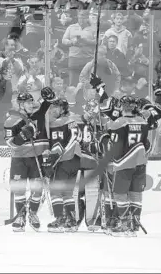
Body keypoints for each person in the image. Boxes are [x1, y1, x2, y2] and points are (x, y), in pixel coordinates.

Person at [42, 99, 97, 233]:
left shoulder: (58, 123)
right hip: (75, 161)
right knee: (67, 192)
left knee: (55, 190)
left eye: (55, 108)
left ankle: (60, 219)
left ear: (62, 109)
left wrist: (50, 162)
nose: (52, 111)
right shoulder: (72, 120)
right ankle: (71, 221)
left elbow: (58, 145)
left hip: (64, 160)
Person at [99, 96, 150, 237]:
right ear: (133, 106)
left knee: (120, 194)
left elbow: (113, 146)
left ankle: (125, 223)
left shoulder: (118, 123)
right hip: (140, 163)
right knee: (136, 194)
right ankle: (134, 224)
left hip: (124, 163)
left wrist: (103, 138)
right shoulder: (143, 121)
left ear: (121, 106)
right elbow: (146, 144)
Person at [3, 92, 51, 232]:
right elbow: (9, 143)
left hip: (36, 158)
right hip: (20, 160)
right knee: (19, 189)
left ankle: (33, 214)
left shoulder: (37, 116)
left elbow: (44, 106)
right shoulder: (11, 120)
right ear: (21, 104)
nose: (31, 105)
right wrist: (22, 136)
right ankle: (20, 216)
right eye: (28, 103)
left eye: (32, 102)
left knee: (37, 189)